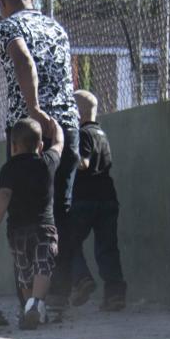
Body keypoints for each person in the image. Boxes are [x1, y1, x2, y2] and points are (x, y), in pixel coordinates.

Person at [0, 0, 76, 164]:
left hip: (28, 130)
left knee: (22, 192)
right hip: (66, 125)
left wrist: (34, 109)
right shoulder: (57, 28)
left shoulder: (9, 26)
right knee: (62, 194)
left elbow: (24, 61)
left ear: (2, 2)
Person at [60, 90, 127, 311]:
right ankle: (115, 294)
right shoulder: (101, 134)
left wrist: (66, 157)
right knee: (107, 247)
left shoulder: (83, 134)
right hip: (108, 198)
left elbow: (84, 163)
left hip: (86, 198)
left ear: (77, 112)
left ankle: (81, 279)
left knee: (67, 241)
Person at [0, 121, 58, 329]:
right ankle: (36, 305)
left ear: (14, 146)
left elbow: (4, 195)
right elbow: (60, 145)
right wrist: (56, 129)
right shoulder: (46, 162)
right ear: (40, 146)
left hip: (17, 231)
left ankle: (29, 307)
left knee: (24, 272)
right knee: (42, 266)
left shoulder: (8, 168)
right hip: (43, 227)